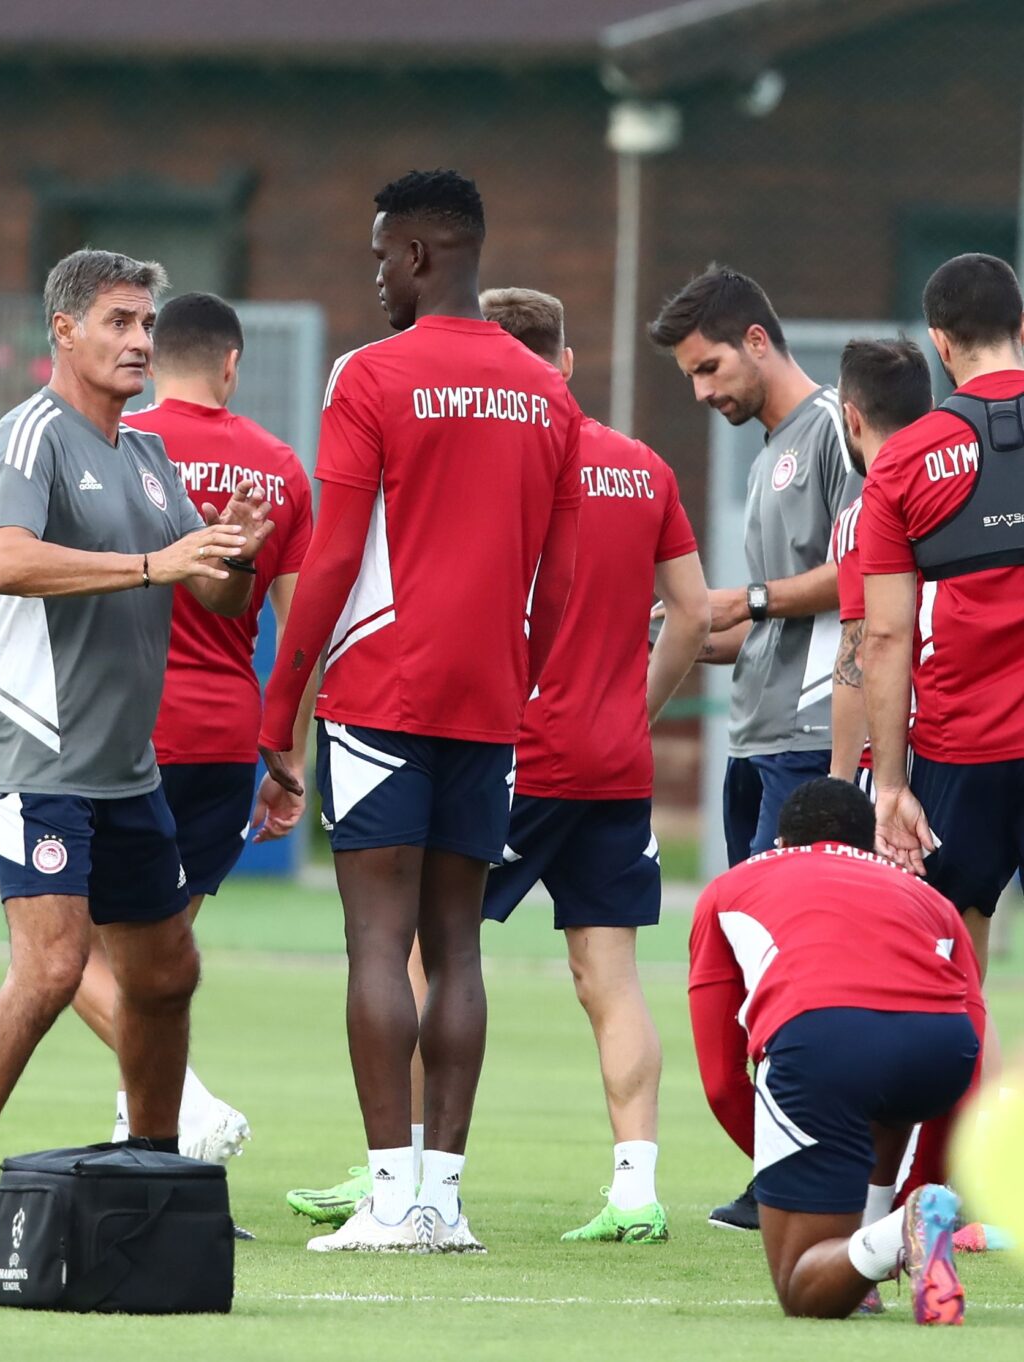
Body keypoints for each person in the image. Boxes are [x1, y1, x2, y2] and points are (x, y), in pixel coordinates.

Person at [0, 249, 273, 1243]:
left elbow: (212, 592)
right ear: (63, 330)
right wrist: (155, 563)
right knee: (51, 972)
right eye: (119, 321)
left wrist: (235, 557)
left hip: (124, 769)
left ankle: (153, 1175)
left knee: (166, 974)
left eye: (147, 323)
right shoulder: (28, 436)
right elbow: (3, 560)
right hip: (35, 757)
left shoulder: (146, 455)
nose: (140, 341)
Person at [259, 171, 583, 1254]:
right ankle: (442, 1200)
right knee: (457, 951)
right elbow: (561, 575)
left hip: (380, 690)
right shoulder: (546, 392)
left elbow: (331, 556)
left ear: (416, 255)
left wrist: (280, 707)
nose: (375, 278)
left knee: (375, 942)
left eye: (377, 258)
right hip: (488, 700)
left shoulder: (371, 374)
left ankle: (390, 1198)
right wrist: (521, 677)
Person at [471, 287, 710, 1244]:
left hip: (517, 757)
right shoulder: (644, 466)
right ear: (565, 362)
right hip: (616, 761)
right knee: (610, 978)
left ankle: (401, 1171)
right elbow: (692, 612)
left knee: (420, 950)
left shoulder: (496, 467)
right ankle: (636, 1191)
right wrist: (633, 712)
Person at [73, 291, 315, 1165]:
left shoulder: (118, 445)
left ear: (150, 353)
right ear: (231, 363)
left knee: (65, 953)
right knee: (161, 949)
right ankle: (142, 1131)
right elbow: (302, 631)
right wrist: (288, 761)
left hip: (122, 728)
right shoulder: (279, 468)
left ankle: (184, 1103)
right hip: (223, 739)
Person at [648, 264, 859, 1232]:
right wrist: (683, 632)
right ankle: (782, 1157)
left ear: (758, 342)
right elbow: (766, 625)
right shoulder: (766, 452)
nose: (701, 392)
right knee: (751, 964)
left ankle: (813, 1168)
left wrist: (752, 599)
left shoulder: (832, 431)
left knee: (796, 970)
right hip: (755, 738)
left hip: (810, 743)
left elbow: (865, 572)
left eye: (708, 368)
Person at [688, 778, 981, 1323]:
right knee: (891, 1084)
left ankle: (898, 1229)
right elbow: (972, 1043)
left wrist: (791, 1158)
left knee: (802, 1290)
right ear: (870, 847)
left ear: (780, 842)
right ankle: (883, 1240)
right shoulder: (928, 898)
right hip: (942, 1049)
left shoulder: (730, 887)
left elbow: (721, 1078)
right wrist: (931, 1177)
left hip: (823, 1039)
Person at [862, 253, 1024, 991]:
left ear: (940, 341)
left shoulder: (902, 461)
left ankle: (970, 1075)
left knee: (953, 969)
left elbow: (885, 635)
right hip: (968, 742)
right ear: (1020, 326)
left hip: (963, 751)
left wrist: (892, 784)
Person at [825, 339, 932, 789]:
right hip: (968, 740)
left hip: (895, 758)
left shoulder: (862, 519)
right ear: (931, 409)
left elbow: (862, 650)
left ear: (852, 418)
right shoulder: (959, 494)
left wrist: (839, 781)